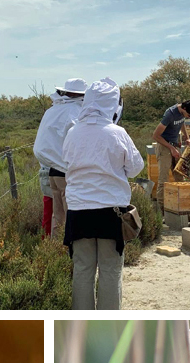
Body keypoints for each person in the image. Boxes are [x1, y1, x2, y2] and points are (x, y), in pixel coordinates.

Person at [61, 77, 144, 310]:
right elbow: (136, 167)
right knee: (110, 271)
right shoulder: (117, 133)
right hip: (111, 213)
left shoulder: (72, 132)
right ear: (113, 104)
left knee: (82, 270)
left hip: (78, 212)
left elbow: (66, 161)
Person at [33, 78, 86, 238]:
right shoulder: (75, 112)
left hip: (52, 172)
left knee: (57, 217)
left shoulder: (52, 111)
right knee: (72, 217)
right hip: (67, 172)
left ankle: (56, 252)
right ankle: (71, 254)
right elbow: (78, 142)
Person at [150, 99, 190, 204]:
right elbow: (156, 135)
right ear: (184, 108)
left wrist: (187, 137)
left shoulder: (183, 113)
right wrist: (171, 148)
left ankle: (181, 205)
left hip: (175, 145)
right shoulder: (170, 114)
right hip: (164, 146)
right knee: (163, 180)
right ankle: (162, 211)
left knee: (180, 177)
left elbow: (181, 123)